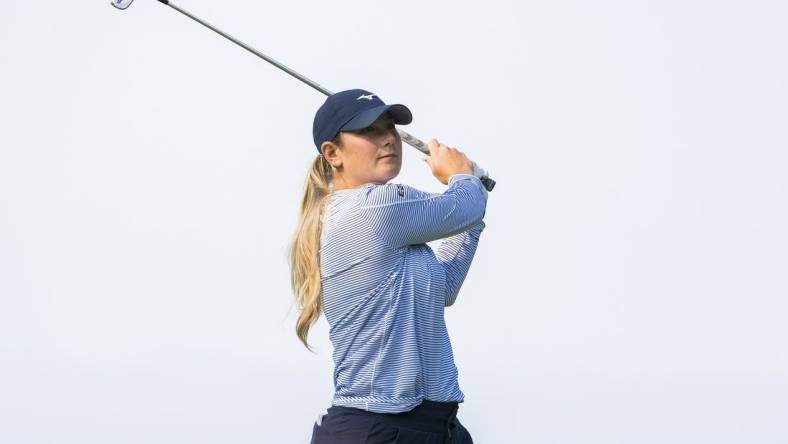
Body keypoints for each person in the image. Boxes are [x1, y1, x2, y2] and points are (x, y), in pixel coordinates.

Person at [288, 88, 487, 443]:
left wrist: (472, 194)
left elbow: (443, 289)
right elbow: (464, 205)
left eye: (389, 128)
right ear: (332, 153)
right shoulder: (374, 207)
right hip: (377, 429)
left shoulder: (387, 216)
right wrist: (463, 176)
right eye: (368, 131)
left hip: (435, 427)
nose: (387, 140)